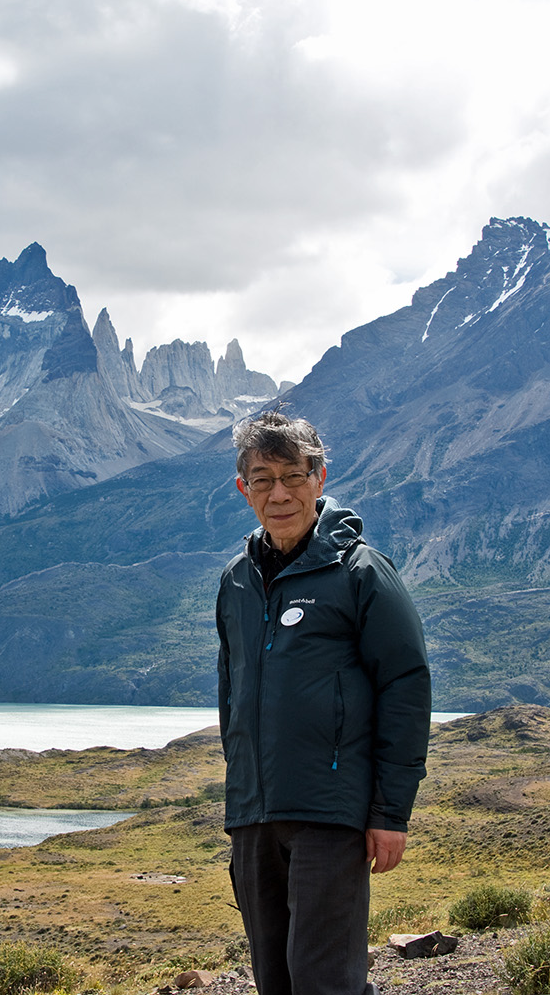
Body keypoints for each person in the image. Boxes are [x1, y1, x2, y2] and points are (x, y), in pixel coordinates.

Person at [216, 410, 432, 995]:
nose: (279, 494)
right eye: (263, 480)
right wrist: (241, 792)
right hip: (254, 818)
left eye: (294, 476)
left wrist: (390, 813)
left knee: (325, 982)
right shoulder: (237, 580)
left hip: (330, 815)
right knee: (275, 982)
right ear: (244, 489)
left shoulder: (361, 572)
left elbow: (405, 687)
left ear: (319, 478)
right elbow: (231, 693)